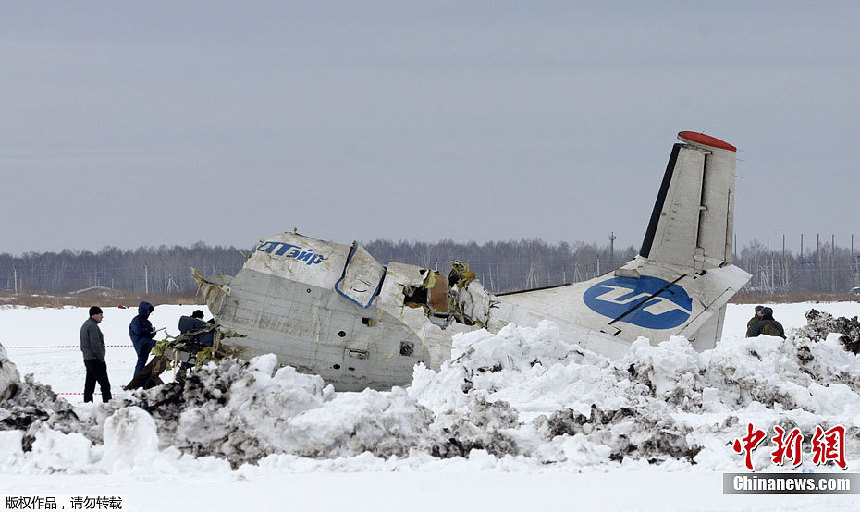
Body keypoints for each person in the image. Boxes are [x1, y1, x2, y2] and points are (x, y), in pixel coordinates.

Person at [80, 306, 112, 403]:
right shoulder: (93, 326)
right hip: (95, 360)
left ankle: (87, 403)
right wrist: (101, 358)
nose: (102, 317)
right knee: (105, 385)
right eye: (101, 315)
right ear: (94, 315)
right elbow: (95, 344)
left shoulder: (85, 325)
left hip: (88, 358)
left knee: (90, 384)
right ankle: (108, 404)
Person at [129, 301, 157, 378]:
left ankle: (135, 380)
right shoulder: (136, 320)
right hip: (140, 343)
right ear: (143, 310)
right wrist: (149, 329)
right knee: (157, 344)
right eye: (148, 311)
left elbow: (148, 335)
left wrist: (153, 332)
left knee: (141, 363)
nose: (149, 313)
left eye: (150, 312)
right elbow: (138, 331)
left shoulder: (148, 322)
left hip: (145, 343)